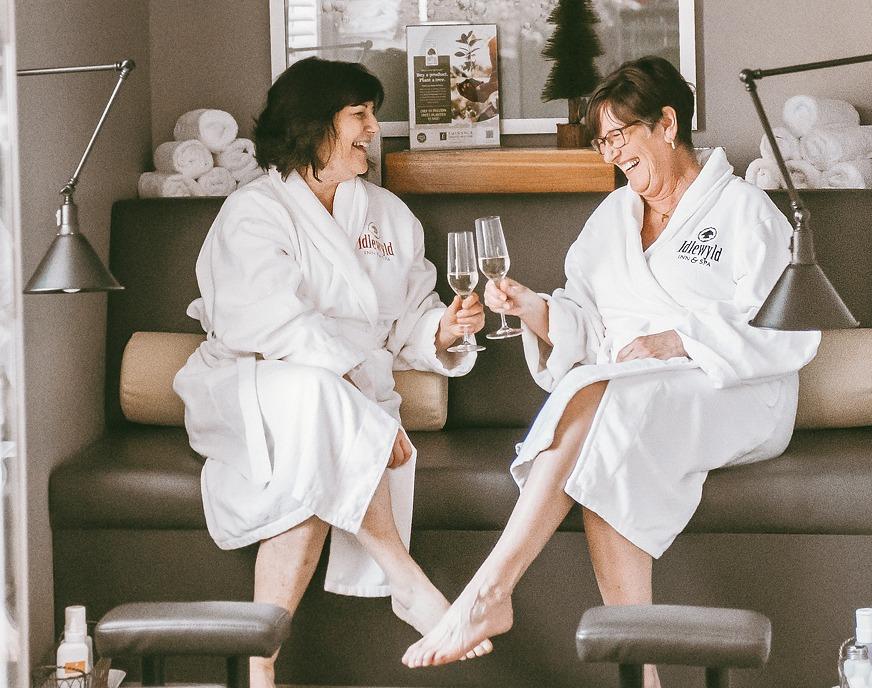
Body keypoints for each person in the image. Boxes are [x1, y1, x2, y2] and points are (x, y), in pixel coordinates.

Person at [401, 55, 822, 686]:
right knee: (612, 422)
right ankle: (638, 674)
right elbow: (587, 323)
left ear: (667, 123)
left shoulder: (742, 210)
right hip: (634, 393)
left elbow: (789, 332)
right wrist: (535, 309)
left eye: (619, 135)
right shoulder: (612, 219)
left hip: (736, 391)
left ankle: (489, 594)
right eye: (603, 140)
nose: (611, 153)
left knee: (612, 404)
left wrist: (675, 340)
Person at [172, 57, 489, 688]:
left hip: (336, 397)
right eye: (360, 115)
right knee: (320, 405)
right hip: (251, 384)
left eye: (372, 114)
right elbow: (266, 321)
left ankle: (261, 670)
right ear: (314, 126)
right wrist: (354, 397)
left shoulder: (389, 216)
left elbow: (406, 322)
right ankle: (404, 576)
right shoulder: (255, 211)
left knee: (313, 459)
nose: (374, 129)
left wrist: (446, 330)